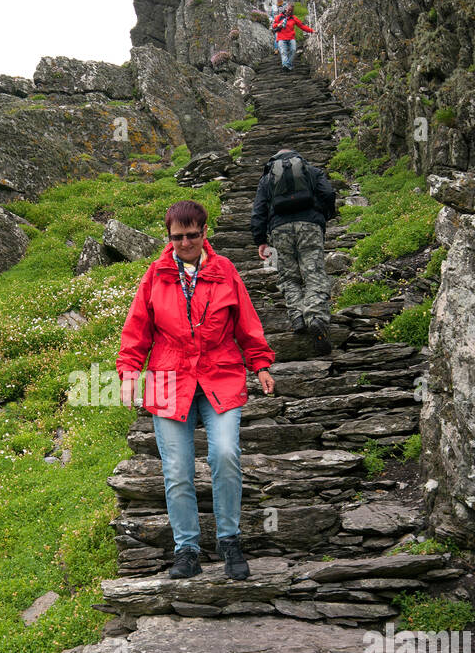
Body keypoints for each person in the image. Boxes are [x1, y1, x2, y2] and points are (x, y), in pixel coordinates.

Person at [117, 200, 276, 581]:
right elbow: (137, 328)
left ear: (205, 233)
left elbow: (247, 324)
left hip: (220, 374)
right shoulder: (155, 275)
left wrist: (261, 363)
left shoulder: (225, 271)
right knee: (177, 470)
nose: (185, 242)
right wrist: (128, 373)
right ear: (168, 237)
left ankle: (229, 540)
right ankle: (186, 549)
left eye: (192, 235)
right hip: (169, 379)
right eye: (177, 237)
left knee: (224, 454)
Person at [250, 148, 337, 355]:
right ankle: (315, 317)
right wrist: (325, 215)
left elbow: (258, 210)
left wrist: (260, 240)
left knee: (289, 276)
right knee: (313, 272)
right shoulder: (311, 170)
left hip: (279, 230)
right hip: (309, 225)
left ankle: (297, 316)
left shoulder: (267, 178)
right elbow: (329, 193)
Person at [271, 4, 314, 71]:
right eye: (289, 10)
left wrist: (312, 31)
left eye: (291, 11)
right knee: (283, 52)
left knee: (293, 50)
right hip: (281, 38)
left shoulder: (294, 18)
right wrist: (278, 24)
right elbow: (273, 25)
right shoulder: (279, 17)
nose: (290, 12)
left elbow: (302, 26)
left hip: (291, 38)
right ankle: (285, 66)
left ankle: (288, 65)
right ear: (285, 9)